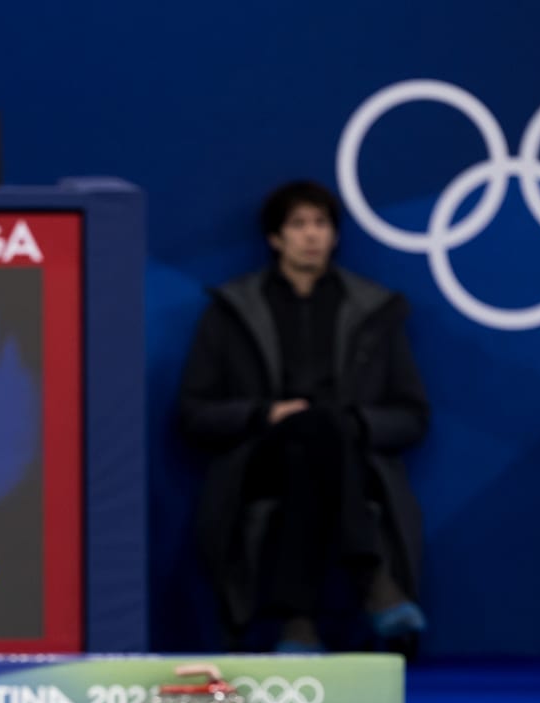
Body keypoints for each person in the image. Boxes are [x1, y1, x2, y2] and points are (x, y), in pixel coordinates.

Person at [178, 180, 430, 653]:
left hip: (351, 456)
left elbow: (411, 415)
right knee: (311, 429)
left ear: (335, 236)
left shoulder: (376, 310)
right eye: (298, 224)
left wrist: (356, 423)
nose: (311, 235)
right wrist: (264, 413)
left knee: (322, 430)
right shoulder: (231, 312)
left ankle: (297, 622)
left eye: (321, 223)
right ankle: (372, 579)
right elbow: (194, 413)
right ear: (275, 238)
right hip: (260, 458)